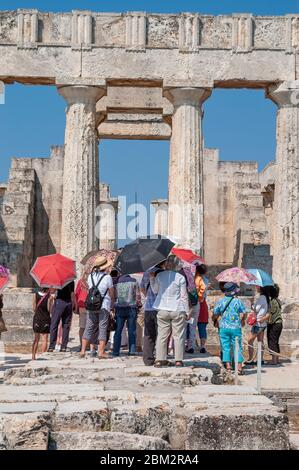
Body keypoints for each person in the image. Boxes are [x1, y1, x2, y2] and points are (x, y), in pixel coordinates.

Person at [150, 255, 190, 368]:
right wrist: (187, 311)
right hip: (177, 308)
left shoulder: (159, 275)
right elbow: (183, 296)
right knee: (178, 335)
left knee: (162, 335)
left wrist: (152, 278)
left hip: (162, 307)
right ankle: (178, 360)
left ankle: (160, 359)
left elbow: (155, 290)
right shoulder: (180, 277)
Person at [80, 256, 114, 359]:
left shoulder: (90, 276)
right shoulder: (108, 277)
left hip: (91, 305)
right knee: (102, 328)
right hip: (103, 305)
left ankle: (82, 351)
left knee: (89, 327)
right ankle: (101, 352)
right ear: (105, 267)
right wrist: (112, 301)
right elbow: (111, 293)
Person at [212, 282, 246, 374]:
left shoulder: (221, 301)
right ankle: (239, 368)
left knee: (225, 347)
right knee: (237, 347)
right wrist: (243, 320)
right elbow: (244, 312)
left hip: (224, 327)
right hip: (235, 327)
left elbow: (215, 312)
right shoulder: (237, 301)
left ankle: (228, 367)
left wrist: (214, 320)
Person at [112, 271, 141, 356]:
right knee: (132, 330)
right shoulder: (134, 281)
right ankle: (132, 350)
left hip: (119, 308)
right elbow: (138, 295)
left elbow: (114, 296)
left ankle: (116, 351)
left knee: (118, 330)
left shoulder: (116, 281)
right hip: (131, 308)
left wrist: (112, 307)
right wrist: (138, 306)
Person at [140, 267, 161, 366]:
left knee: (148, 334)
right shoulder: (162, 272)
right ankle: (160, 356)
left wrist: (148, 296)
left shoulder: (146, 272)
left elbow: (142, 288)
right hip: (160, 307)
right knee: (161, 334)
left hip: (148, 307)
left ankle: (148, 359)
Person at [48, 280, 75, 352]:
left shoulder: (59, 279)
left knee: (54, 324)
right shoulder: (71, 280)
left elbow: (52, 291)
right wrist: (73, 304)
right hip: (68, 302)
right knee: (66, 326)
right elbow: (72, 294)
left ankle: (51, 346)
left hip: (59, 302)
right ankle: (64, 347)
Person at [245, 286, 269, 366]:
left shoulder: (262, 297)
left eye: (258, 287)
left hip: (258, 323)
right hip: (263, 323)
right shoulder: (266, 297)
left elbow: (256, 309)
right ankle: (260, 359)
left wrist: (251, 303)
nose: (256, 288)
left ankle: (250, 359)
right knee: (260, 341)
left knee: (250, 341)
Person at [32, 288, 55, 360]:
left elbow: (34, 308)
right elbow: (49, 309)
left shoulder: (35, 295)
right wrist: (51, 301)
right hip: (46, 319)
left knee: (36, 339)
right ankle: (42, 356)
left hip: (37, 318)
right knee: (44, 339)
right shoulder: (49, 297)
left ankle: (33, 356)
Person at [265, 285, 283, 365]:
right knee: (275, 342)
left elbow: (270, 314)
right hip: (279, 324)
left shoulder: (273, 301)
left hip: (274, 324)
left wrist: (262, 318)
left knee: (272, 341)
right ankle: (276, 359)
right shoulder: (277, 300)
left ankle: (274, 360)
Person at [195, 264, 209, 353]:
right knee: (202, 326)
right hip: (203, 303)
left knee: (191, 325)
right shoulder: (206, 280)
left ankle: (190, 344)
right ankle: (202, 346)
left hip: (194, 302)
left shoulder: (195, 279)